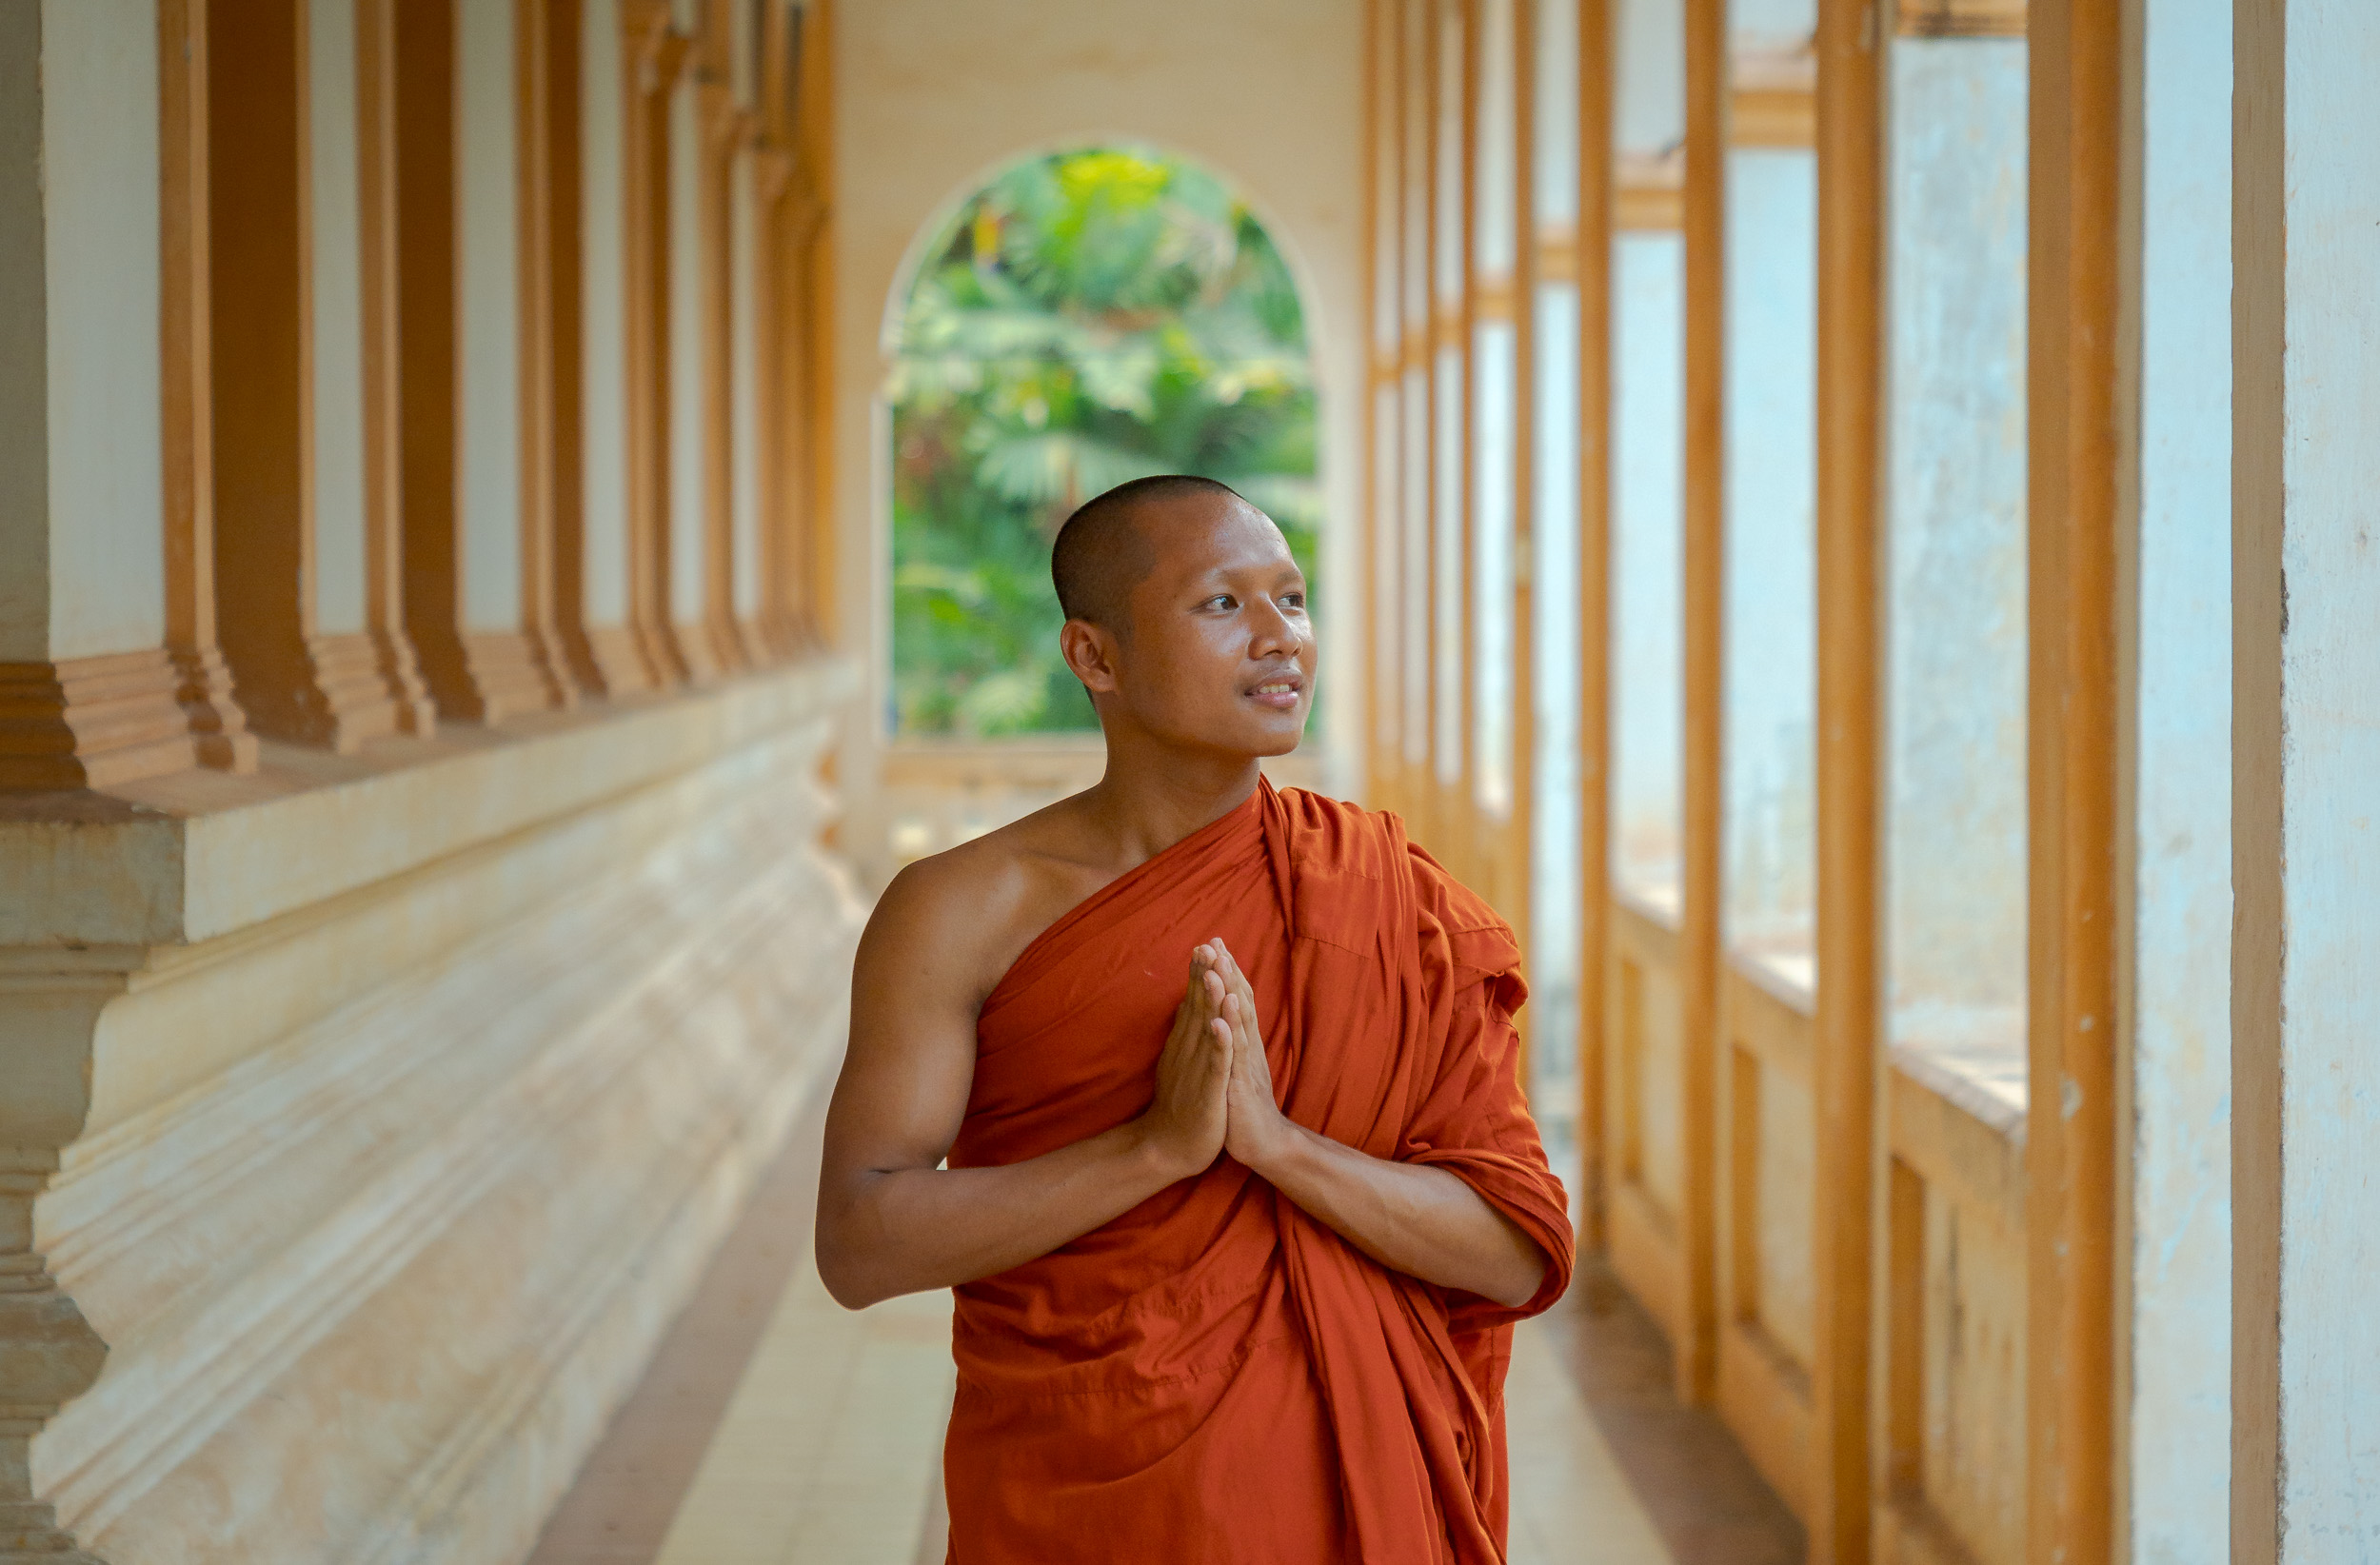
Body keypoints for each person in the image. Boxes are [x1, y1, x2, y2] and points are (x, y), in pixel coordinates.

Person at [816, 474, 1573, 1563]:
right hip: (1084, 1487)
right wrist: (1153, 1151)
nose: (1280, 639)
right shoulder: (961, 911)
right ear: (1096, 657)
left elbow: (1513, 1256)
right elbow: (858, 1243)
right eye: (1223, 605)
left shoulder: (1391, 897)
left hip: (1345, 1496)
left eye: (1293, 600)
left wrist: (1276, 1147)